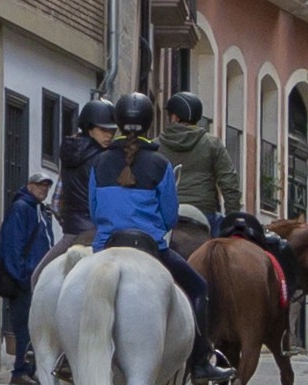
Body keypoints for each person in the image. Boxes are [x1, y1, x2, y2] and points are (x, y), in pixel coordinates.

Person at [82, 91, 209, 317]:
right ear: (149, 123)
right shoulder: (161, 164)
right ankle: (201, 350)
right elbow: (170, 218)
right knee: (200, 287)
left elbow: (93, 213)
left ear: (118, 123)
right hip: (150, 248)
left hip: (104, 246)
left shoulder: (98, 163)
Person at [150, 90, 248, 242]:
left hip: (164, 215)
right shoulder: (212, 144)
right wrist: (231, 218)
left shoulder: (155, 145)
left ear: (175, 117)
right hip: (205, 213)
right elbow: (229, 182)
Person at [0, 167, 58, 385]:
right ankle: (20, 370)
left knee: (34, 326)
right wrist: (23, 277)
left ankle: (28, 369)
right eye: (40, 185)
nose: (44, 189)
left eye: (46, 186)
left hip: (36, 279)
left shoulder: (40, 211)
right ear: (29, 186)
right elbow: (12, 245)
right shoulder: (22, 209)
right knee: (24, 326)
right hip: (26, 281)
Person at [54, 96, 117, 242]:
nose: (109, 135)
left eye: (112, 131)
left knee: (43, 265)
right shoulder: (107, 159)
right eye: (103, 130)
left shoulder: (67, 155)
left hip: (72, 234)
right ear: (89, 129)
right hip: (102, 233)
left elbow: (56, 205)